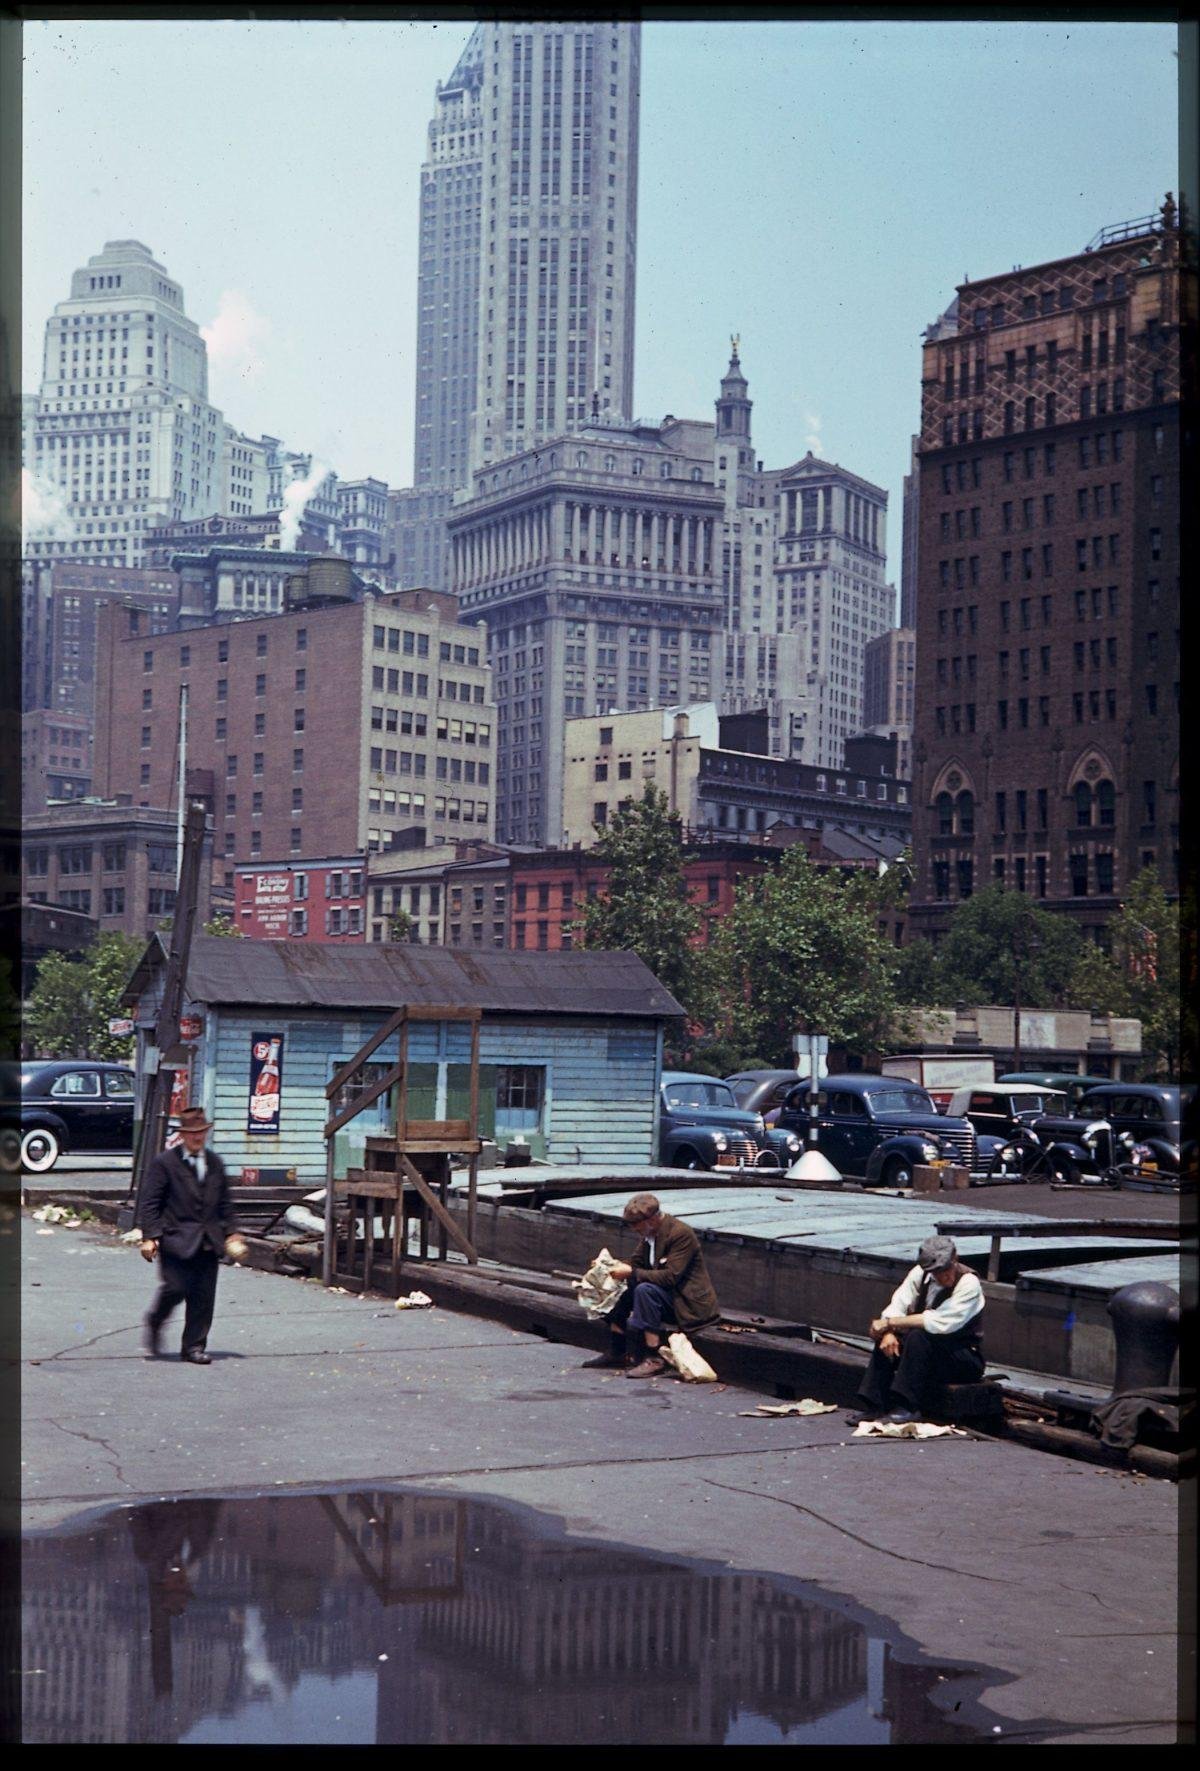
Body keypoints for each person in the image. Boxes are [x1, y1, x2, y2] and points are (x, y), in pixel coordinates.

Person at [140, 1106, 245, 1365]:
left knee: (203, 1296)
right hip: (175, 1239)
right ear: (183, 1135)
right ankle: (156, 1319)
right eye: (192, 1133)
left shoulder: (215, 1163)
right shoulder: (164, 1163)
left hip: (209, 1241)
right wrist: (150, 1236)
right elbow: (150, 1202)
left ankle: (194, 1347)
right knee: (176, 1288)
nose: (197, 1138)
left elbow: (225, 1203)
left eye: (201, 1133)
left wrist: (232, 1233)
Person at [581, 1192, 720, 1379]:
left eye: (637, 1227)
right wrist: (609, 1267)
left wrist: (631, 1272)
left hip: (687, 1303)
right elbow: (636, 1262)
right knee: (621, 1289)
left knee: (645, 1290)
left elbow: (671, 1277)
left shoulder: (680, 1234)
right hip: (668, 1296)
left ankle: (654, 1357)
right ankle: (617, 1351)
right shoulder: (649, 1234)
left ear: (652, 1219)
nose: (635, 1231)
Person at [850, 1234, 985, 1424]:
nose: (943, 1276)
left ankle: (908, 1406)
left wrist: (890, 1324)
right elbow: (897, 1305)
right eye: (936, 1272)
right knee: (888, 1339)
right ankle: (875, 1404)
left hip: (962, 1358)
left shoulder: (969, 1283)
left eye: (946, 1269)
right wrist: (888, 1332)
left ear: (955, 1259)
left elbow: (939, 1322)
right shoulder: (919, 1274)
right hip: (928, 1355)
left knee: (919, 1336)